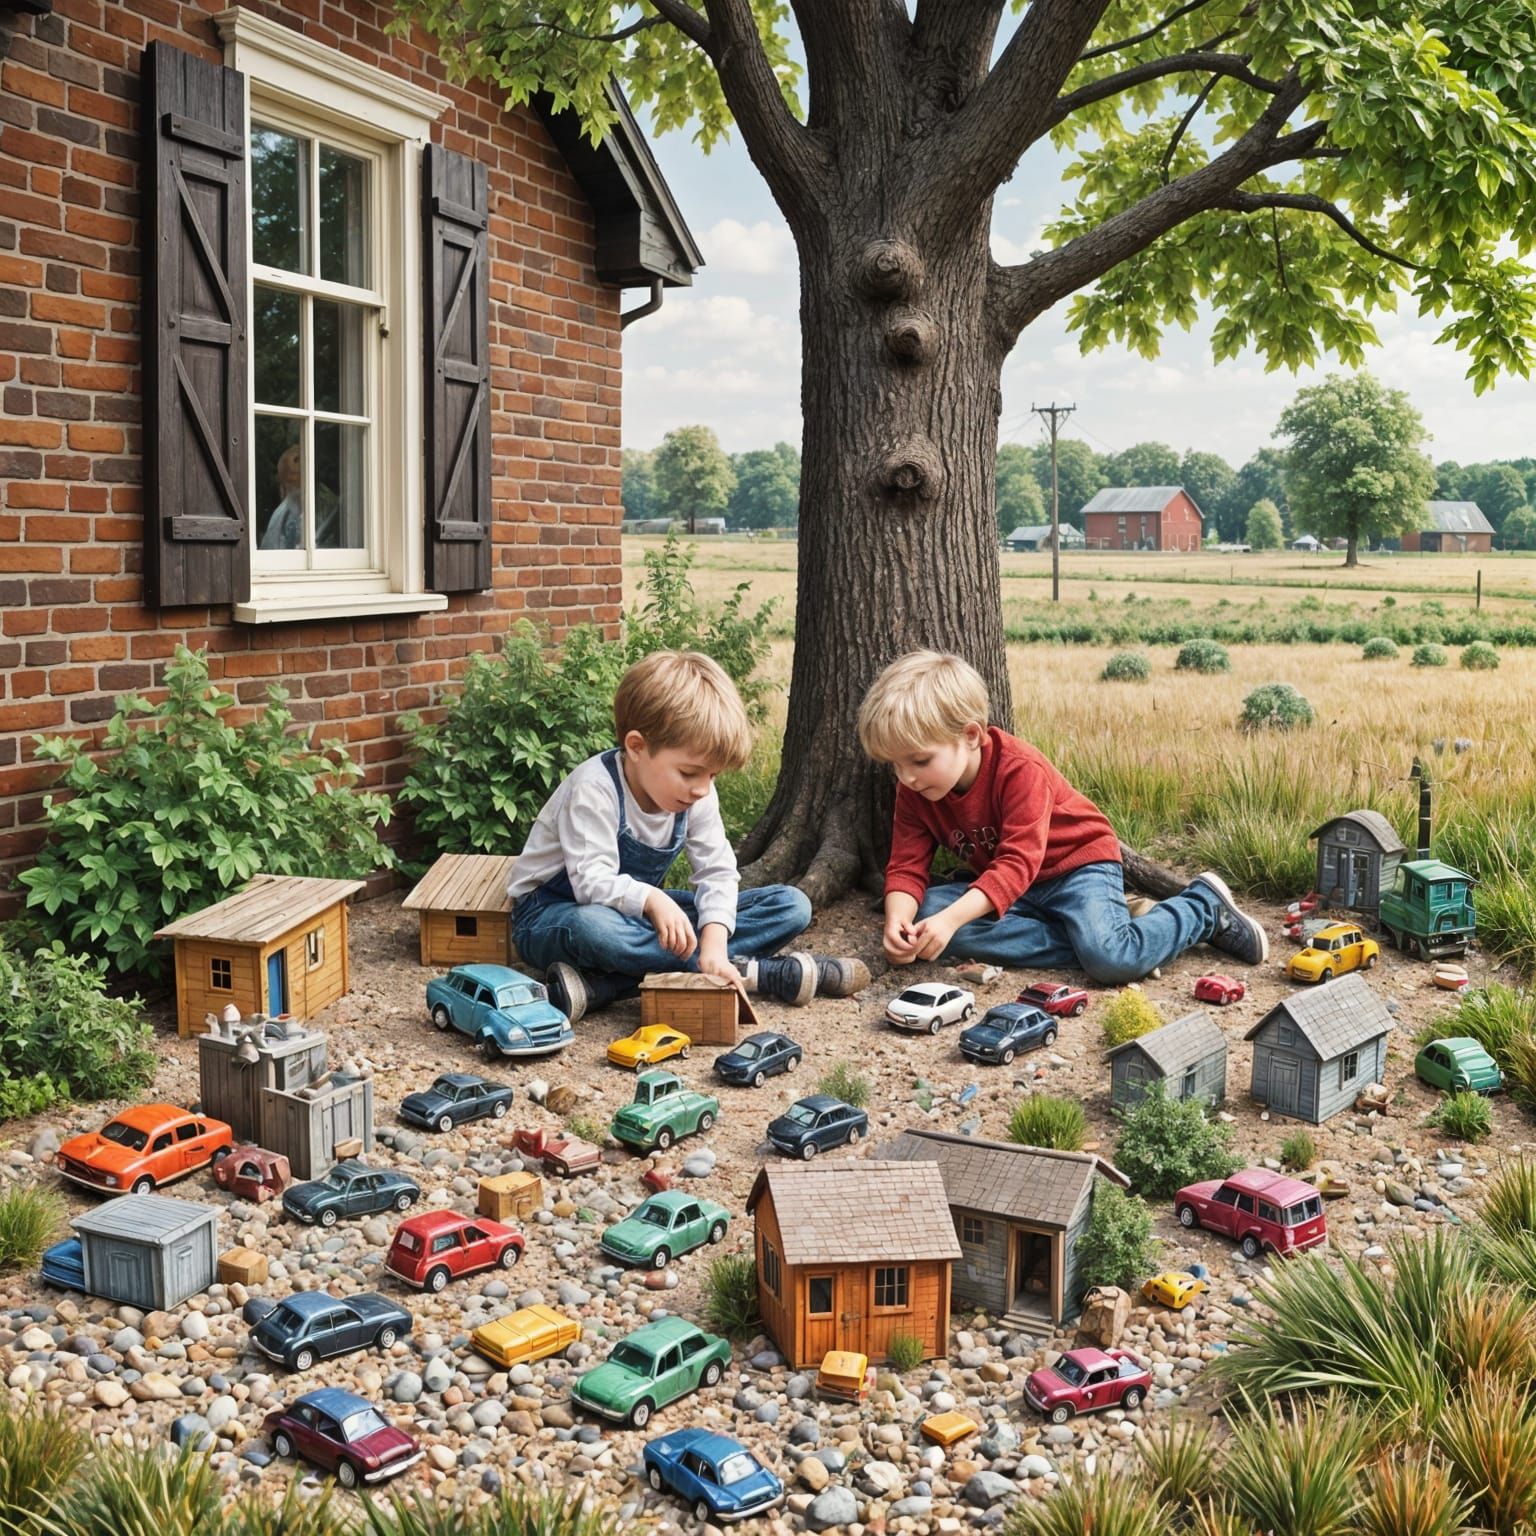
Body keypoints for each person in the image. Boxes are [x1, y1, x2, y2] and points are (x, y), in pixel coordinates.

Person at [856, 650, 1268, 984]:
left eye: (919, 760)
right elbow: (907, 865)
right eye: (894, 765)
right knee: (928, 914)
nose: (906, 777)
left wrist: (950, 922)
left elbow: (1018, 862)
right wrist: (899, 923)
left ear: (970, 735)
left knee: (1111, 962)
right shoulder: (915, 789)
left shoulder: (1019, 769)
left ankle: (1200, 908)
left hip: (1077, 868)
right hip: (1014, 890)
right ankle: (1121, 935)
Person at [509, 649, 869, 1023]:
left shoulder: (696, 794)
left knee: (791, 905)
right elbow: (590, 883)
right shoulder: (594, 790)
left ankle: (614, 985)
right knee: (597, 930)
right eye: (690, 773)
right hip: (551, 915)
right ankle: (755, 972)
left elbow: (716, 872)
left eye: (711, 776)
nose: (701, 789)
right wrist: (652, 900)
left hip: (640, 917)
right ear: (637, 747)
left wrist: (713, 940)